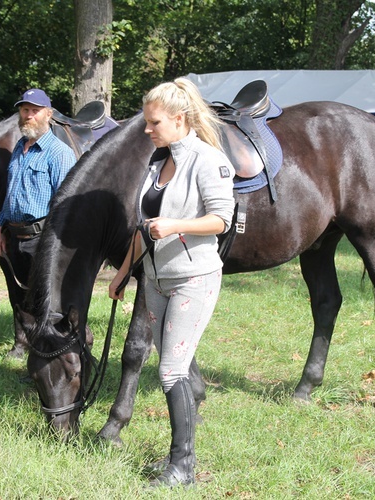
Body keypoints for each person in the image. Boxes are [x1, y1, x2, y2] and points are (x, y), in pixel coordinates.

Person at [108, 78, 235, 488]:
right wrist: (124, 271)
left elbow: (221, 219)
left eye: (154, 122)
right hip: (155, 281)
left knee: (170, 370)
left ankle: (183, 467)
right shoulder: (157, 163)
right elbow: (142, 228)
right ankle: (180, 460)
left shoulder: (208, 161)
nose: (147, 130)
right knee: (170, 370)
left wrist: (176, 225)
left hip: (193, 278)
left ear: (179, 119)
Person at [0, 88, 77, 357]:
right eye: (24, 110)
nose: (28, 115)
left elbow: (65, 206)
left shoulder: (59, 153)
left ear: (48, 115)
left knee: (46, 301)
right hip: (14, 236)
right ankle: (25, 346)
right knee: (21, 298)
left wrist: (53, 245)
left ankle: (49, 355)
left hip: (42, 237)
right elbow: (10, 194)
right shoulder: (20, 147)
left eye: (34, 110)